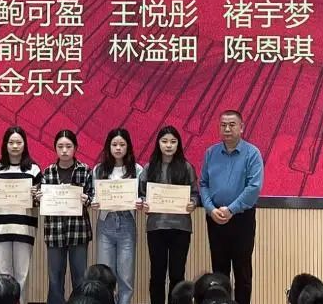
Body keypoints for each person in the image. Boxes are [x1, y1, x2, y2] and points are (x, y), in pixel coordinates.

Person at [199, 110, 263, 304]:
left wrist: (231, 209)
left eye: (232, 125)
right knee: (219, 271)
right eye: (223, 125)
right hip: (215, 218)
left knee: (242, 271)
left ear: (241, 128)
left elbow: (254, 187)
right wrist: (210, 209)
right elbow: (203, 184)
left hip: (242, 219)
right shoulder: (210, 153)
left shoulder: (252, 153)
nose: (227, 129)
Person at [139, 126, 198, 304]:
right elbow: (141, 194)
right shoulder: (149, 167)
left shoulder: (186, 167)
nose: (169, 145)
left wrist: (193, 203)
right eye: (164, 141)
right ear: (158, 144)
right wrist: (143, 203)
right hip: (156, 227)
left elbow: (195, 193)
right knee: (157, 274)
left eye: (173, 141)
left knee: (177, 275)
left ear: (178, 144)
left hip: (181, 228)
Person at [0, 126, 42, 304]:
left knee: (22, 275)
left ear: (25, 144)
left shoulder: (33, 170)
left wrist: (36, 195)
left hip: (24, 228)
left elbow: (39, 202)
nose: (15, 146)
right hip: (0, 227)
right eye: (11, 142)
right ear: (5, 145)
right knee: (2, 274)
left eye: (19, 142)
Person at [41, 130, 94, 304]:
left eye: (68, 146)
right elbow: (40, 199)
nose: (64, 150)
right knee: (55, 278)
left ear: (76, 148)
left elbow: (93, 196)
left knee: (80, 277)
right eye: (60, 146)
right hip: (54, 231)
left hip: (78, 231)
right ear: (55, 148)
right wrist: (39, 197)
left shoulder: (85, 170)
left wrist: (87, 199)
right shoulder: (48, 172)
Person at [91, 129, 142, 304]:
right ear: (108, 147)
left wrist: (140, 202)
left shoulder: (137, 169)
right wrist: (94, 203)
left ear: (128, 147)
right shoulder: (99, 169)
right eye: (114, 144)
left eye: (122, 144)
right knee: (104, 274)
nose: (118, 148)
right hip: (106, 223)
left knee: (126, 276)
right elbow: (94, 196)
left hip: (127, 222)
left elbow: (142, 196)